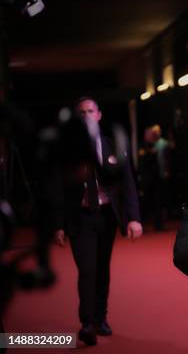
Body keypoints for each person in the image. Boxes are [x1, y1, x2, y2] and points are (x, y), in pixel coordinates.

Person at [53, 97, 143, 346]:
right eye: (80, 113)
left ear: (99, 115)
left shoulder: (112, 145)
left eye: (90, 111)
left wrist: (134, 218)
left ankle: (101, 318)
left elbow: (127, 183)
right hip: (79, 217)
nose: (86, 116)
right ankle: (88, 324)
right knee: (87, 270)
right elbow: (58, 190)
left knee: (102, 269)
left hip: (106, 216)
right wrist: (58, 224)